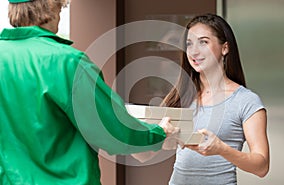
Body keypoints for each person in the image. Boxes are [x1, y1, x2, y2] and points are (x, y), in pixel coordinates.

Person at [0, 0, 179, 184]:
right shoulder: (67, 62)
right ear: (51, 8)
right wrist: (158, 133)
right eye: (61, 8)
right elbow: (112, 129)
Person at [161, 13, 270, 185]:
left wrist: (221, 149)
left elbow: (262, 166)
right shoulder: (179, 96)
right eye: (189, 44)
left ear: (225, 48)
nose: (194, 51)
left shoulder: (246, 101)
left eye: (203, 42)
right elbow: (146, 153)